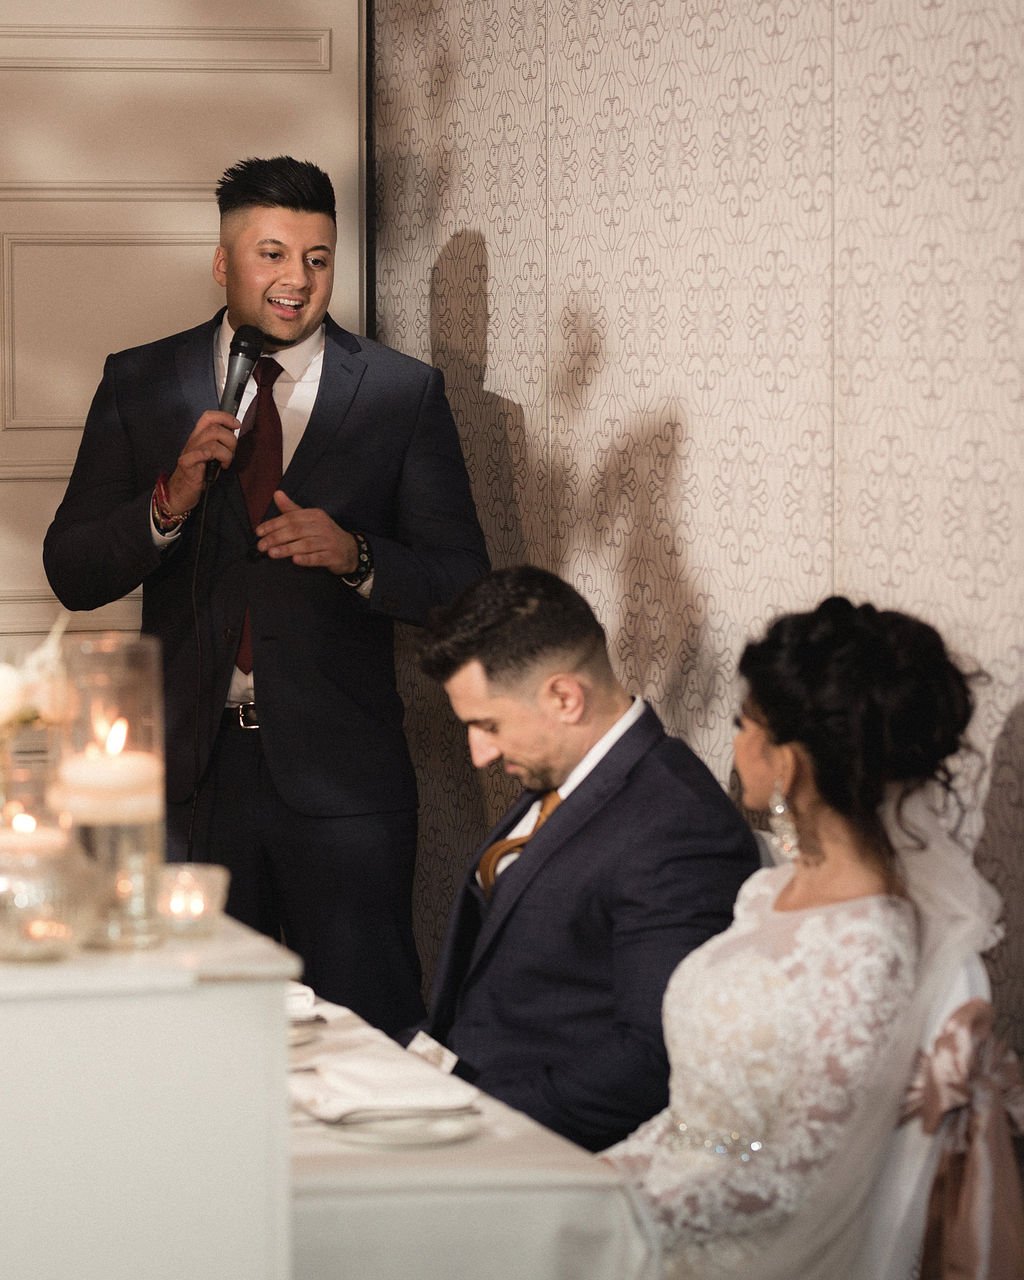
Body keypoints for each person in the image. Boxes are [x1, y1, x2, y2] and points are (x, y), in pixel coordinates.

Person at [43, 156, 489, 1035]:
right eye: (273, 254)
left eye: (318, 259)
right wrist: (166, 503)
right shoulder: (143, 382)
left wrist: (357, 555)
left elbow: (465, 586)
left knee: (367, 1030)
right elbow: (72, 569)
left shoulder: (402, 394)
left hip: (344, 783)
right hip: (183, 782)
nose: (296, 281)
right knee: (189, 1032)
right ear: (223, 264)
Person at [602, 596, 1005, 1279]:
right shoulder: (769, 893)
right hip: (661, 1199)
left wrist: (623, 1208)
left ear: (785, 763)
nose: (733, 744)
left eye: (742, 724)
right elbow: (694, 1119)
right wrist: (590, 1179)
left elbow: (796, 1180)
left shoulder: (870, 949)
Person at [412, 565, 760, 1151]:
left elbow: (651, 1061)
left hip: (535, 1142)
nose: (479, 753)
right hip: (453, 1085)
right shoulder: (563, 779)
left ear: (565, 697)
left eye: (488, 725)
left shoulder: (677, 826)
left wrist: (469, 1117)